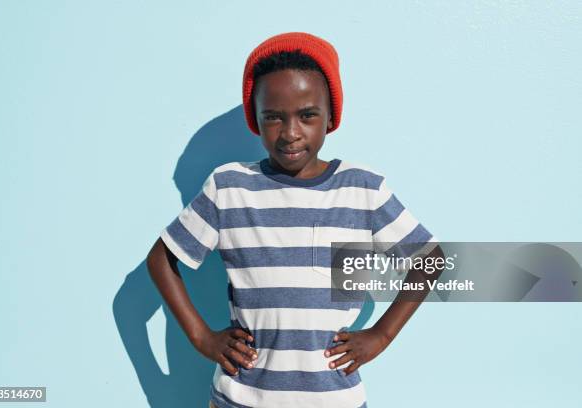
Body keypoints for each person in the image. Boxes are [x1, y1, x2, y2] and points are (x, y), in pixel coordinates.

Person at [147, 32, 442, 408]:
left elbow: (429, 260)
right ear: (255, 119)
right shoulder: (230, 187)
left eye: (307, 115)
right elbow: (161, 258)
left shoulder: (362, 188)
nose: (290, 133)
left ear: (331, 115)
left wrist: (381, 335)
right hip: (242, 397)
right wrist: (202, 338)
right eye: (273, 117)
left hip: (335, 399)